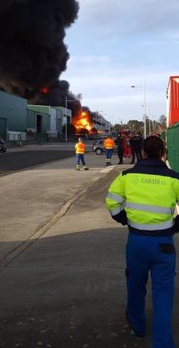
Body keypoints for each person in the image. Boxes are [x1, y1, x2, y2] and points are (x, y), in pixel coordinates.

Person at [105, 136, 179, 347]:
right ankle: (163, 343)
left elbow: (112, 201)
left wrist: (123, 219)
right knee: (163, 293)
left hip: (137, 241)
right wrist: (176, 226)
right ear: (163, 153)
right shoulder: (174, 178)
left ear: (144, 153)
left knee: (135, 285)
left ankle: (137, 326)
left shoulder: (127, 176)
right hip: (164, 243)